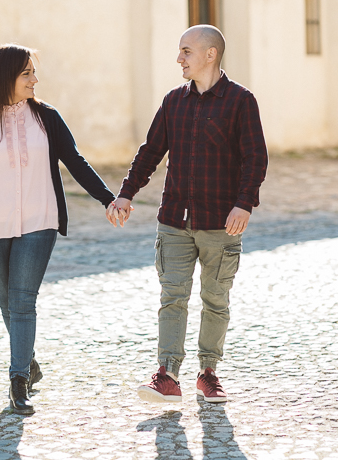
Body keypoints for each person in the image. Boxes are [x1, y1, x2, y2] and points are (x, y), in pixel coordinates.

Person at [0, 44, 117, 415]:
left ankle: (17, 380)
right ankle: (29, 362)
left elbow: (75, 161)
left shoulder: (47, 118)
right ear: (5, 77)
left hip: (40, 221)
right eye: (27, 74)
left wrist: (108, 198)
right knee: (8, 302)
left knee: (23, 301)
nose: (34, 80)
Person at [111, 25, 268, 403]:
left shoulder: (240, 101)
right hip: (174, 220)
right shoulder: (172, 101)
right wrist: (126, 193)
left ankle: (209, 373)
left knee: (216, 299)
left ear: (210, 55)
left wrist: (244, 202)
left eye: (186, 51)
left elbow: (255, 157)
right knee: (173, 296)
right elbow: (151, 152)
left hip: (221, 223)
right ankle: (167, 375)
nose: (179, 58)